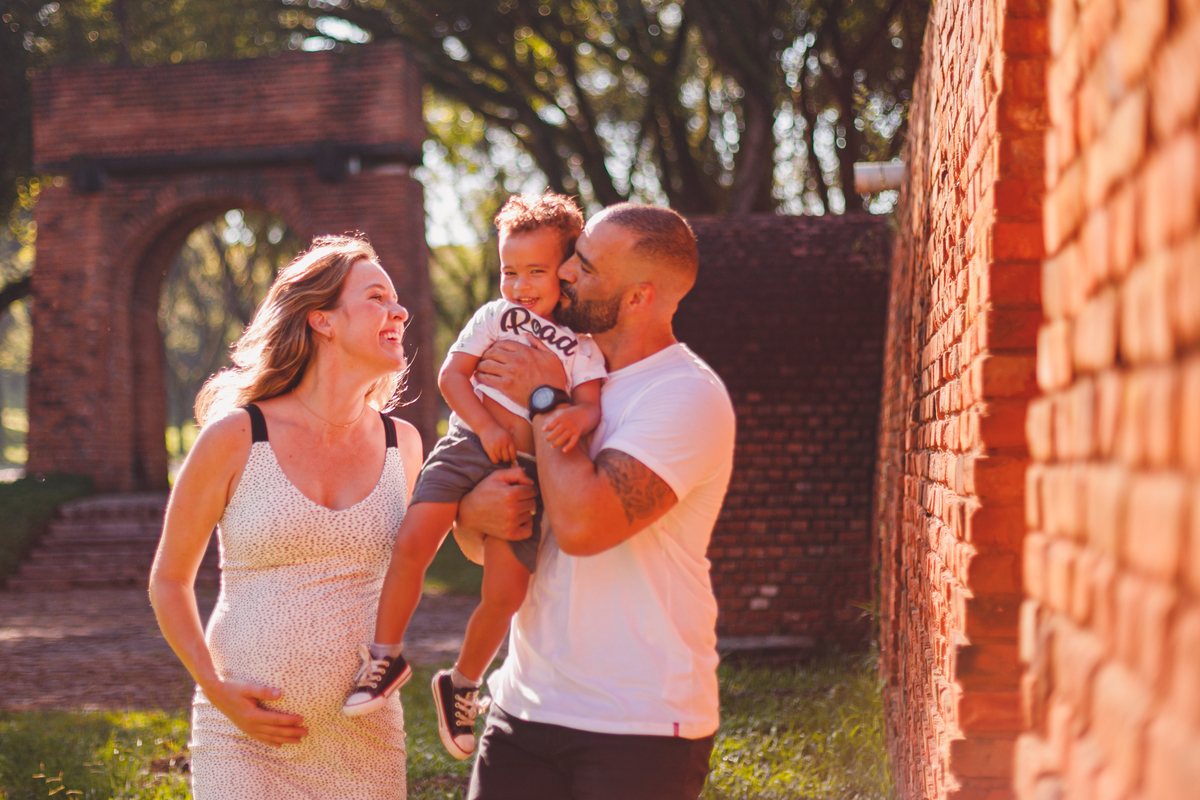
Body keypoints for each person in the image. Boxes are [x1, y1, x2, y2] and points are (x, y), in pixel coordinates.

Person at [454, 203, 737, 800]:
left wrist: (543, 398)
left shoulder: (683, 396)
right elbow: (508, 534)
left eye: (583, 266)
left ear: (637, 297)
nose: (563, 275)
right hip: (521, 707)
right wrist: (471, 516)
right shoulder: (552, 362)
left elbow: (583, 526)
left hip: (639, 724)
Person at [149, 234, 422, 799]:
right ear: (322, 320)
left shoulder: (405, 445)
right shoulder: (236, 436)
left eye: (396, 301)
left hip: (365, 737)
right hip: (244, 737)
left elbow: (422, 564)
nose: (399, 311)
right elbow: (170, 581)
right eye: (376, 297)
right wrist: (217, 688)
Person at [341, 193, 607, 762]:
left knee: (506, 592)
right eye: (510, 271)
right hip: (467, 444)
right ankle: (382, 658)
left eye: (536, 272)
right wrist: (486, 426)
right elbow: (452, 376)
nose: (520, 285)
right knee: (413, 542)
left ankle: (461, 683)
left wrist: (575, 419)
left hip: (530, 471)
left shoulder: (584, 344)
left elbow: (589, 405)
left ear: (566, 270)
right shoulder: (495, 316)